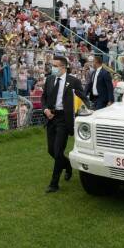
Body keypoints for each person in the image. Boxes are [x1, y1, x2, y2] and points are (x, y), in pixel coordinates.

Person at [40, 56, 86, 193]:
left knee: (58, 150)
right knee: (51, 150)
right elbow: (44, 97)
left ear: (63, 67)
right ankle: (68, 165)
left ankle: (54, 183)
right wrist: (45, 109)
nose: (53, 68)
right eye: (52, 65)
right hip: (51, 117)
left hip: (64, 120)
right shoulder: (49, 79)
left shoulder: (74, 81)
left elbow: (83, 99)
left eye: (55, 65)